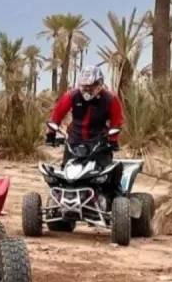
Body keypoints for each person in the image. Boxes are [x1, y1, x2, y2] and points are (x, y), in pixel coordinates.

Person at [45, 65, 124, 197]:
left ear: (99, 85)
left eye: (90, 86)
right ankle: (60, 200)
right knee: (66, 172)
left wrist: (113, 141)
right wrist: (50, 134)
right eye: (84, 86)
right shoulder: (72, 95)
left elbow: (117, 121)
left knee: (109, 173)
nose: (87, 90)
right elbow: (57, 114)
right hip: (75, 139)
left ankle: (118, 200)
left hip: (99, 140)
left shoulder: (110, 99)